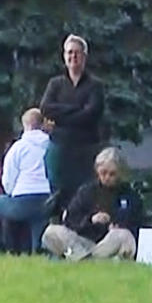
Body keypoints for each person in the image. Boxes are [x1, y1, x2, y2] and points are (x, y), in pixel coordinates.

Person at [40, 34, 105, 213]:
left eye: (77, 53)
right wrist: (77, 109)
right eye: (69, 53)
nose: (73, 57)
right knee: (58, 196)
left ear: (84, 56)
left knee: (86, 196)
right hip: (60, 149)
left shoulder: (95, 85)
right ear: (64, 56)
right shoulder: (55, 84)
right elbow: (45, 108)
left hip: (86, 150)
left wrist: (61, 115)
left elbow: (91, 114)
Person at [42, 147, 142, 260]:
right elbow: (70, 219)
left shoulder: (129, 195)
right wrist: (91, 220)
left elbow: (136, 222)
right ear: (97, 171)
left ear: (120, 174)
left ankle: (88, 259)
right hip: (84, 242)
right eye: (103, 173)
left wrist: (115, 224)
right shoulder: (86, 191)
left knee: (124, 235)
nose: (107, 177)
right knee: (52, 232)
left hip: (110, 242)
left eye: (112, 174)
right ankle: (85, 258)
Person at [0, 108, 51, 253]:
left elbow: (8, 179)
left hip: (23, 200)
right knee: (38, 231)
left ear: (25, 125)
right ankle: (36, 250)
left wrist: (11, 193)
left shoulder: (19, 147)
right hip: (47, 199)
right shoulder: (50, 146)